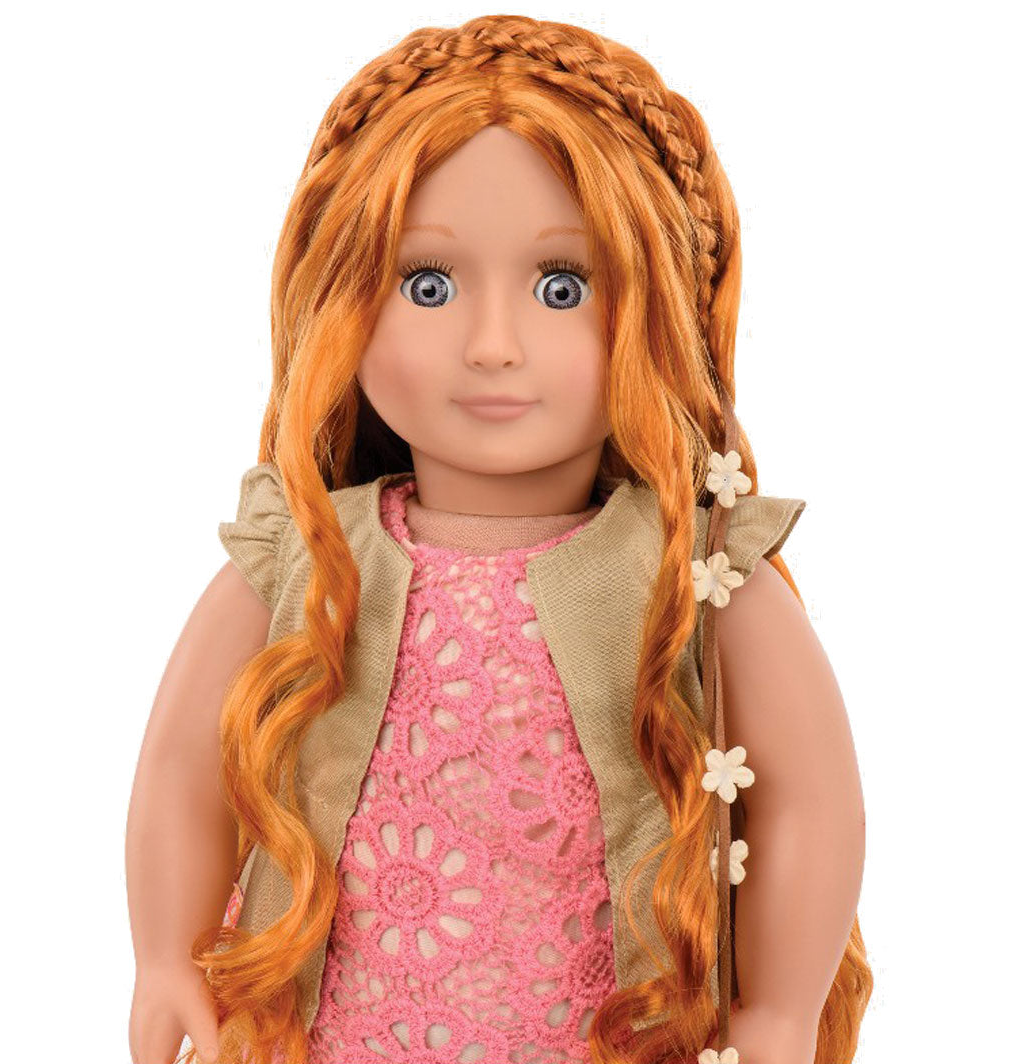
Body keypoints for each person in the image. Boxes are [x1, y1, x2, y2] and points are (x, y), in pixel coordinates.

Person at [126, 15, 871, 1064]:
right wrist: (166, 954)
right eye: (426, 285)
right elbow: (182, 772)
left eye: (562, 287)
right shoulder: (304, 557)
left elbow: (809, 802)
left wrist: (777, 1010)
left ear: (656, 311)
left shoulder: (694, 576)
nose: (490, 345)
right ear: (340, 302)